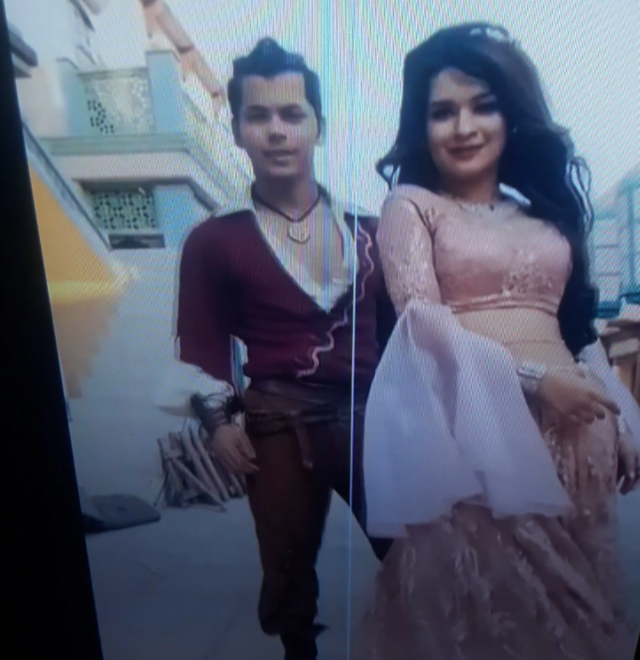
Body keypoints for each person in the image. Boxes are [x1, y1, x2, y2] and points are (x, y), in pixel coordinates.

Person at [353, 23, 640, 660]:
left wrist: (622, 420)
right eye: (442, 112)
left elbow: (578, 327)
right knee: (491, 622)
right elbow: (424, 328)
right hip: (478, 438)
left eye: (482, 106)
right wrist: (538, 383)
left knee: (586, 615)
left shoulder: (547, 214)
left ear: (511, 115)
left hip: (580, 436)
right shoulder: (412, 206)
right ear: (421, 124)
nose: (464, 127)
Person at [156, 38, 394, 660]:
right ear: (237, 130)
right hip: (276, 422)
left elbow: (404, 334)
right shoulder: (214, 240)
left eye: (293, 114)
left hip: (373, 417)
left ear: (319, 126)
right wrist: (216, 421)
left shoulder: (373, 232)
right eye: (258, 116)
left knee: (413, 549)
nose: (277, 131)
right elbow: (201, 339)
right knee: (286, 565)